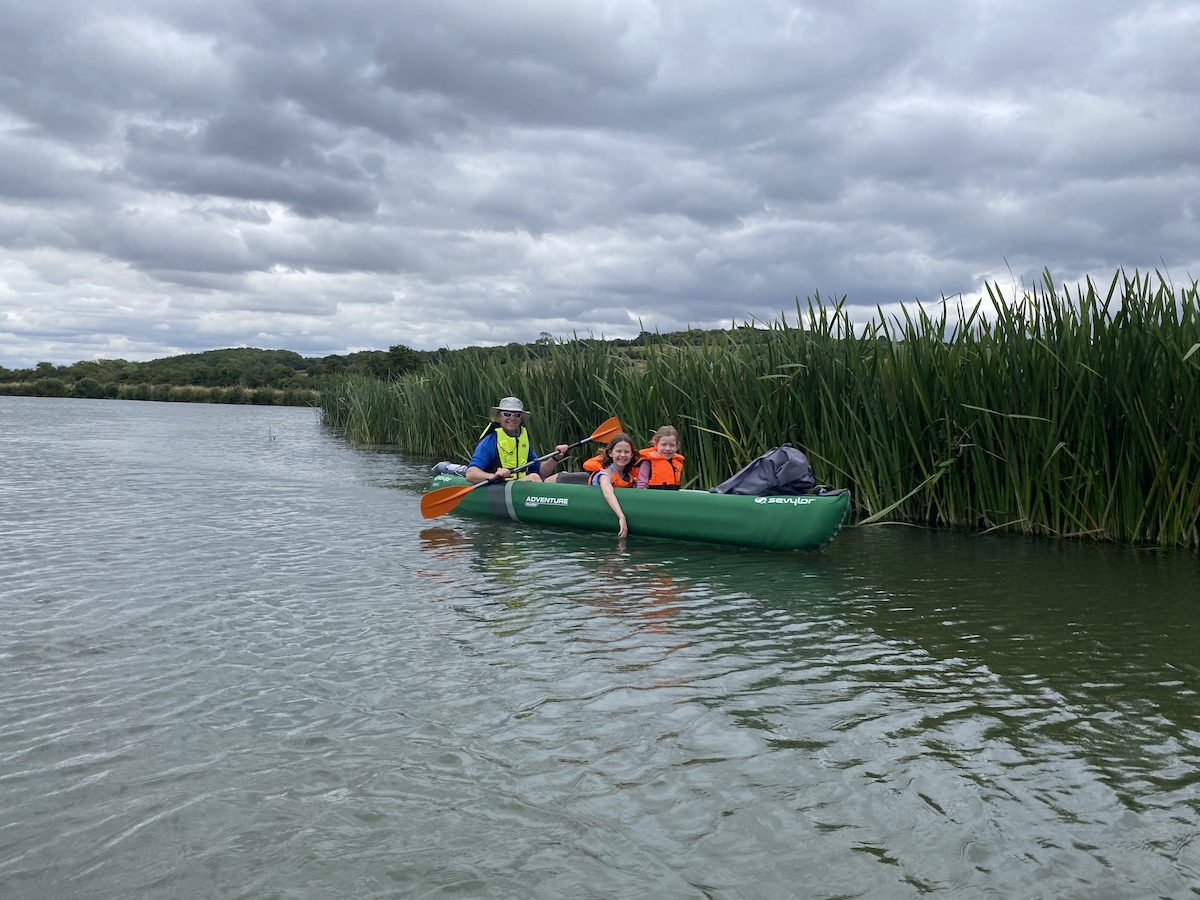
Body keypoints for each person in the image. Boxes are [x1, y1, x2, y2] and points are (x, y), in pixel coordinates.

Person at [465, 396, 570, 484]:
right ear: (499, 416)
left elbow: (540, 472)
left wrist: (555, 458)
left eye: (517, 415)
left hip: (518, 487)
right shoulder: (490, 442)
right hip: (499, 488)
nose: (512, 418)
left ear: (521, 419)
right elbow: (471, 474)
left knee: (564, 476)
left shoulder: (523, 443)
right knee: (533, 477)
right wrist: (495, 476)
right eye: (507, 414)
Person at [588, 433, 637, 538]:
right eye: (619, 451)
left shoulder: (630, 475)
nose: (623, 455)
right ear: (610, 453)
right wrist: (621, 517)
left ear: (631, 455)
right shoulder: (605, 475)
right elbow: (608, 494)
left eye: (627, 452)